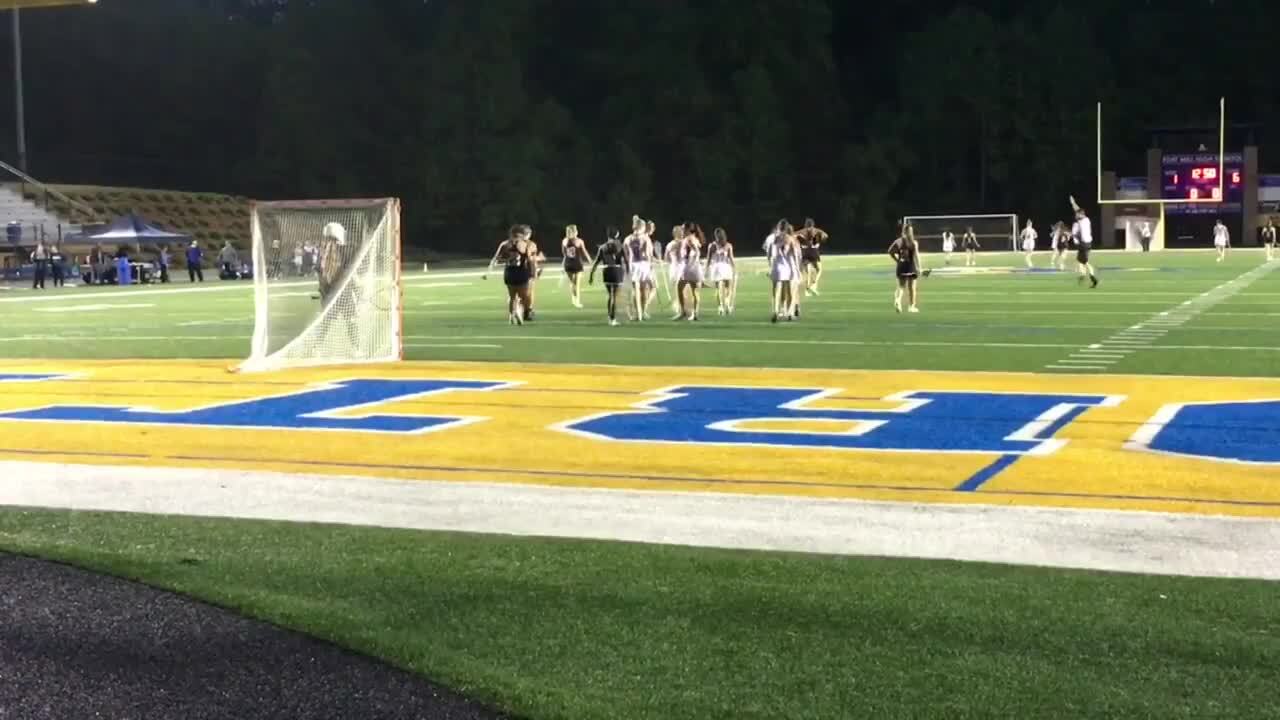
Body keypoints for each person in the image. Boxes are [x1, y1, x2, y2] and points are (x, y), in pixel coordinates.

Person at [485, 224, 535, 325]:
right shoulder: (526, 244)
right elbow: (530, 260)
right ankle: (518, 311)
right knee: (523, 297)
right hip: (521, 272)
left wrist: (489, 271)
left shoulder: (504, 244)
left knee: (512, 296)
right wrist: (533, 272)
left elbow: (496, 259)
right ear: (521, 234)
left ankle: (511, 316)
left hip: (509, 273)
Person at [589, 226, 629, 326]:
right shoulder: (620, 246)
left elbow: (596, 262)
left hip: (606, 271)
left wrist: (591, 275)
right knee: (615, 296)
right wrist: (627, 272)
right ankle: (613, 318)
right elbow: (627, 261)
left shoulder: (602, 247)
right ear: (616, 235)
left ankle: (609, 315)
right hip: (617, 270)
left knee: (610, 296)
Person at [767, 221, 800, 323]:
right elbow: (794, 255)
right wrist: (797, 270)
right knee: (790, 292)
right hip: (787, 267)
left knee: (777, 291)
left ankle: (776, 311)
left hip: (777, 267)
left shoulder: (775, 238)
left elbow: (769, 254)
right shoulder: (790, 239)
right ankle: (789, 313)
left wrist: (770, 266)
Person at [624, 215, 654, 321]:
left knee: (635, 290)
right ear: (642, 227)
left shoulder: (627, 239)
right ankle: (643, 310)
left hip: (633, 265)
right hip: (644, 264)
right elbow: (648, 253)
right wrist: (651, 265)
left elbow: (626, 255)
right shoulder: (646, 238)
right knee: (644, 289)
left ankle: (638, 314)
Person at [888, 222, 921, 313]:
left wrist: (897, 260)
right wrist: (919, 267)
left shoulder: (899, 241)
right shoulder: (914, 243)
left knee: (901, 286)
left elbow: (890, 251)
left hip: (901, 265)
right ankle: (911, 307)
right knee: (912, 287)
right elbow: (916, 256)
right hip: (910, 266)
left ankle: (898, 300)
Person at [675, 223, 704, 321]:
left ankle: (683, 312)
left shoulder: (688, 239)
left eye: (683, 229)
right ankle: (694, 313)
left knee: (680, 288)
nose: (682, 231)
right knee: (694, 291)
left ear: (687, 229)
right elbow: (698, 247)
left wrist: (692, 262)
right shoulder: (694, 238)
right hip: (693, 267)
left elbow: (696, 251)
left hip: (688, 267)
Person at [705, 227, 736, 315]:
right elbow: (709, 258)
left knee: (723, 288)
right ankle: (723, 305)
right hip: (721, 267)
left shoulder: (724, 245)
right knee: (723, 288)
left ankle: (723, 304)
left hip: (721, 267)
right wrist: (706, 270)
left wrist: (734, 268)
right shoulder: (717, 245)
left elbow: (730, 257)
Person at [1069, 195, 1098, 288]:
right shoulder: (1087, 220)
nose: (1076, 215)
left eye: (1077, 214)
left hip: (1084, 244)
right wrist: (1073, 203)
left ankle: (1092, 277)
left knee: (1085, 262)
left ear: (1081, 214)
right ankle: (1083, 274)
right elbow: (1078, 211)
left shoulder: (1081, 222)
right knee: (1080, 260)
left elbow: (1077, 234)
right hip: (1088, 243)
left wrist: (1071, 234)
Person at [795, 218, 829, 296]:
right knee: (819, 269)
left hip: (805, 252)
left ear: (806, 224)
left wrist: (800, 241)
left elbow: (793, 235)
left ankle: (807, 291)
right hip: (814, 251)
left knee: (808, 272)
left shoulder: (802, 231)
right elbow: (826, 235)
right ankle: (813, 285)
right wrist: (819, 240)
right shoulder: (816, 230)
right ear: (813, 224)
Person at [561, 224, 590, 309]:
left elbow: (564, 253)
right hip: (577, 263)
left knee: (572, 283)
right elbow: (584, 251)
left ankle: (574, 300)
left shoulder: (564, 241)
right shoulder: (579, 241)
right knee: (576, 284)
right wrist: (589, 260)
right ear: (575, 232)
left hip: (568, 263)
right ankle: (577, 301)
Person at [664, 225, 685, 315]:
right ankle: (682, 307)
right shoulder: (685, 243)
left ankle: (677, 306)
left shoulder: (670, 244)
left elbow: (666, 258)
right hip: (682, 267)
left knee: (675, 288)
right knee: (683, 289)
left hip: (673, 267)